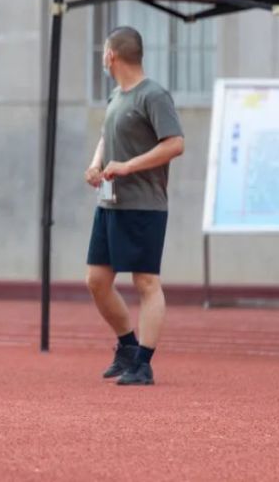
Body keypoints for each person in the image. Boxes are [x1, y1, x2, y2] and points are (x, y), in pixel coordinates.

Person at [84, 26, 184, 386]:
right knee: (97, 280)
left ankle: (143, 362)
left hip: (144, 205)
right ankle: (127, 346)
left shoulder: (153, 95)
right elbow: (104, 137)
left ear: (111, 55)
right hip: (110, 203)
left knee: (146, 282)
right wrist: (97, 164)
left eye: (103, 52)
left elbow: (175, 144)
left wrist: (126, 166)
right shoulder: (116, 95)